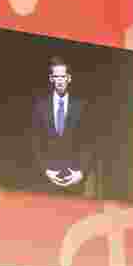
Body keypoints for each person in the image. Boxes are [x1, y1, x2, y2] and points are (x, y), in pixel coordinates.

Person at [31, 55, 90, 195]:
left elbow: (90, 142)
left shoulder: (82, 106)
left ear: (69, 78)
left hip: (74, 179)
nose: (60, 81)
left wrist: (81, 173)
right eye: (56, 77)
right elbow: (35, 141)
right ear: (51, 79)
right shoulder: (40, 106)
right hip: (46, 179)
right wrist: (45, 170)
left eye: (63, 76)